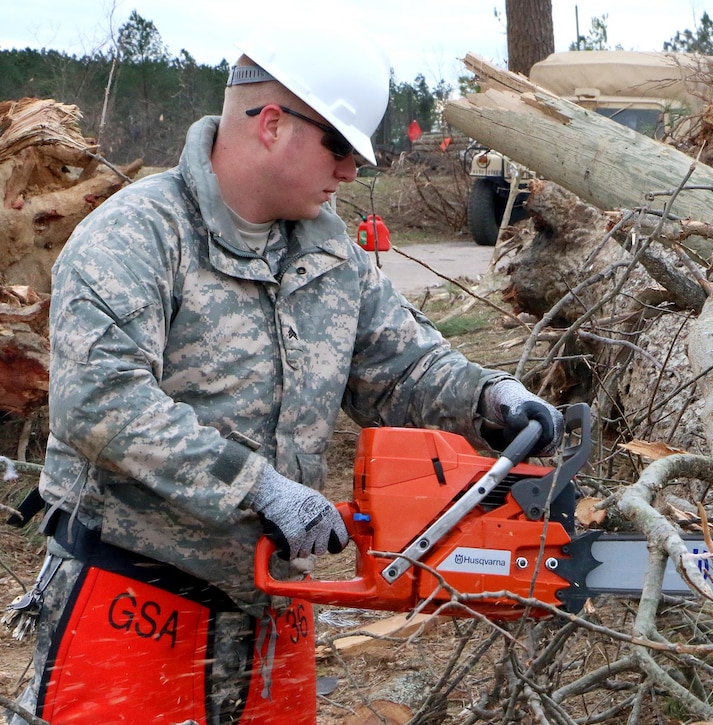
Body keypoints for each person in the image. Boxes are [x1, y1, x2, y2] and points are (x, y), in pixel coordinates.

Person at [9, 20, 563, 725]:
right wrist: (257, 486)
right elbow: (100, 402)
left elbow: (400, 370)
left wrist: (491, 398)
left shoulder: (333, 255)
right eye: (338, 146)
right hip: (133, 600)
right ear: (271, 122)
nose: (349, 171)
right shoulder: (140, 234)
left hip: (274, 610)